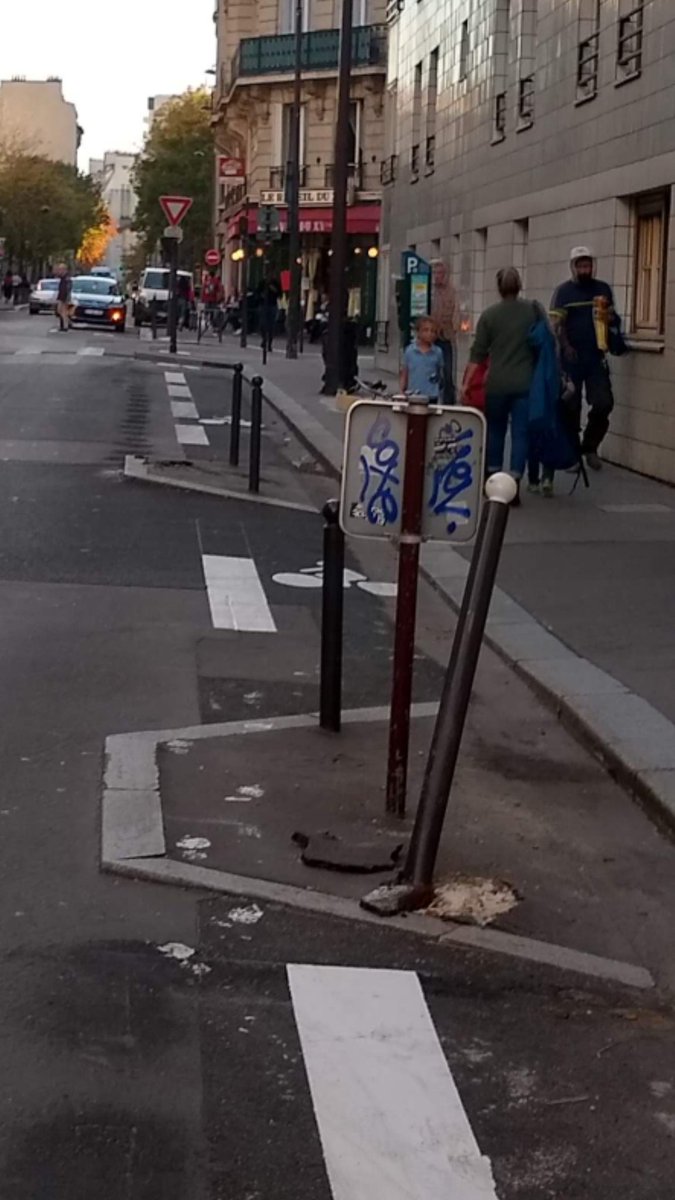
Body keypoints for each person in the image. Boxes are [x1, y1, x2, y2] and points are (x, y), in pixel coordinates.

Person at [461, 266, 539, 505]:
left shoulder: (490, 315)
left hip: (496, 383)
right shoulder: (532, 312)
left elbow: (478, 353)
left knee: (495, 430)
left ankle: (493, 478)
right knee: (520, 434)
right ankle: (514, 480)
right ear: (519, 285)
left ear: (498, 287)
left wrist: (465, 384)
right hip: (525, 382)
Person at [550, 246, 615, 471]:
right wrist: (565, 346)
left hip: (596, 358)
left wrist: (610, 318)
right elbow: (556, 324)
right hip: (572, 359)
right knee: (571, 407)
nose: (585, 269)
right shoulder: (564, 292)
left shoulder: (603, 289)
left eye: (588, 265)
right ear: (573, 267)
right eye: (581, 266)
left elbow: (613, 320)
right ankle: (573, 455)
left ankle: (590, 447)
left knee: (604, 403)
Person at [431, 260, 457, 403]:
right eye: (435, 273)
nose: (437, 276)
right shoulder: (430, 291)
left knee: (448, 371)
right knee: (432, 371)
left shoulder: (452, 291)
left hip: (446, 336)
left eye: (440, 273)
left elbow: (456, 311)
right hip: (432, 336)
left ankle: (449, 402)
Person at [400, 316, 445, 401]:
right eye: (426, 330)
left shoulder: (437, 352)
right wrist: (402, 391)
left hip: (431, 395)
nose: (430, 334)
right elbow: (405, 373)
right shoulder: (410, 351)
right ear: (418, 332)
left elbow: (440, 372)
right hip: (413, 394)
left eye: (433, 331)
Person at [55, 265, 72, 332]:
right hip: (61, 296)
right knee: (60, 311)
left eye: (60, 269)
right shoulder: (62, 277)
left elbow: (68, 288)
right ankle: (66, 324)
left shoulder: (67, 278)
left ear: (64, 270)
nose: (59, 271)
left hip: (64, 296)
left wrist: (68, 297)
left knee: (63, 312)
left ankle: (65, 326)